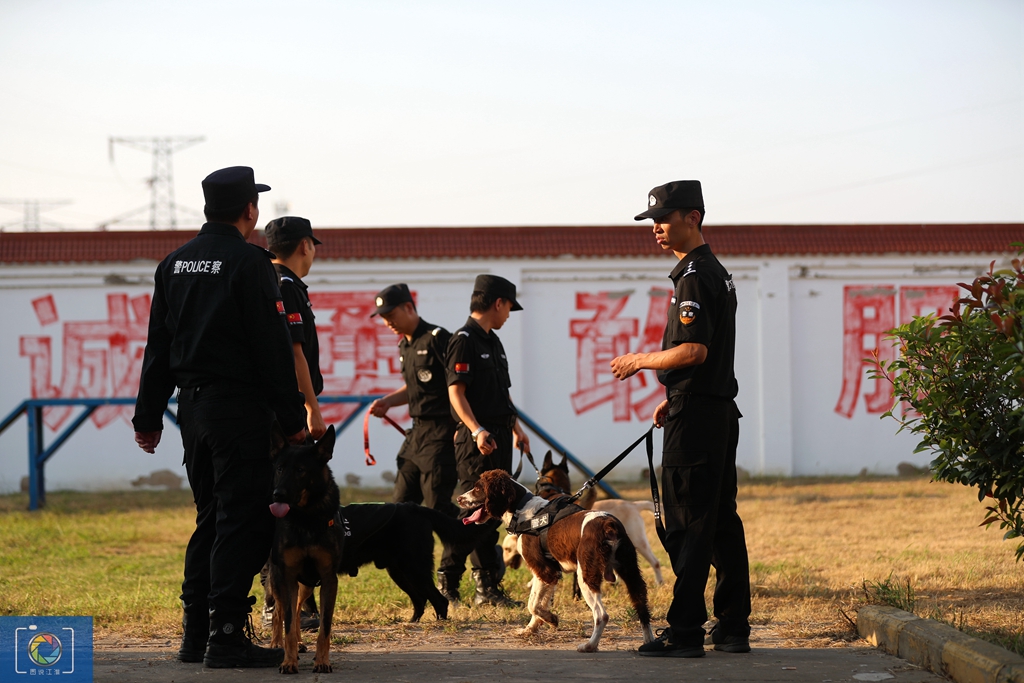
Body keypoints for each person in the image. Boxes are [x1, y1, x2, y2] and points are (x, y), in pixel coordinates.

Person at [132, 166, 308, 669]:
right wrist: (292, 417)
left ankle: (196, 634)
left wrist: (148, 416)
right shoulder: (251, 265)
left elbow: (158, 347)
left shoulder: (174, 264)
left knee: (210, 516)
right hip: (238, 410)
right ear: (249, 211)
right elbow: (272, 348)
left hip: (194, 410)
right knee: (242, 519)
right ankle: (226, 636)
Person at [610, 180, 751, 657]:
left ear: (693, 217)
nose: (656, 228)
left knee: (688, 523)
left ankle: (686, 630)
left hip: (700, 422)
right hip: (712, 411)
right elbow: (705, 360)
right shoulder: (714, 271)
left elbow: (694, 349)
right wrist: (677, 396)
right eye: (652, 220)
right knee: (722, 521)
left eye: (664, 218)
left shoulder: (693, 274)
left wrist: (640, 360)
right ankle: (733, 626)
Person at [439, 274, 530, 607]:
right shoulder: (464, 340)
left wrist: (517, 429)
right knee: (471, 511)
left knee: (492, 513)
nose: (508, 315)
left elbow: (501, 395)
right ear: (498, 303)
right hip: (478, 439)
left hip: (500, 435)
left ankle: (487, 588)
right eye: (508, 308)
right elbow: (455, 393)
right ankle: (447, 581)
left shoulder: (493, 340)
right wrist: (477, 430)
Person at [367, 284, 460, 596]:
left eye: (391, 314)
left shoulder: (438, 339)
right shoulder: (404, 346)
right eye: (382, 317)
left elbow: (457, 386)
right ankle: (412, 577)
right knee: (399, 508)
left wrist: (462, 425)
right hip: (415, 435)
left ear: (409, 307)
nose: (387, 321)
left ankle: (449, 580)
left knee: (438, 509)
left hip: (441, 433)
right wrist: (387, 403)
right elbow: (413, 389)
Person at [261, 215, 326, 631]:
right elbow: (296, 354)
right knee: (286, 503)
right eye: (313, 244)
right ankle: (280, 602)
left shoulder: (272, 282)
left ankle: (294, 601)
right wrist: (311, 410)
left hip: (277, 410)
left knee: (290, 503)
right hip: (287, 415)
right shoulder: (285, 286)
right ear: (305, 245)